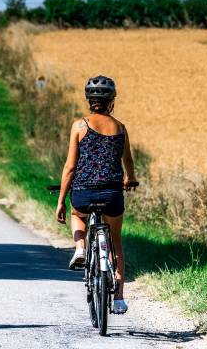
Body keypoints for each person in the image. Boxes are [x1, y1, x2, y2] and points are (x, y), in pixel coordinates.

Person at [55, 75, 138, 315]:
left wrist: (61, 200)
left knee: (76, 213)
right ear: (112, 100)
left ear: (89, 100)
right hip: (112, 194)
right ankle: (120, 298)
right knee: (117, 245)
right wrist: (129, 178)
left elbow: (70, 167)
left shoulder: (79, 126)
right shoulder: (120, 128)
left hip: (83, 192)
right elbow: (128, 161)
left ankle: (80, 247)